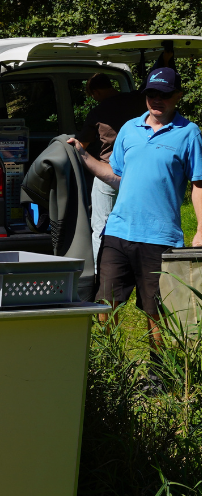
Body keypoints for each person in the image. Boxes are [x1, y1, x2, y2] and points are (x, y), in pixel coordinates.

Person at [69, 67, 202, 360]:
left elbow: (198, 185)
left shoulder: (189, 133)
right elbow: (117, 175)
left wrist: (201, 229)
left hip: (160, 236)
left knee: (157, 310)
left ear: (178, 96)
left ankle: (157, 371)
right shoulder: (129, 128)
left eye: (165, 94)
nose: (157, 99)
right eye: (152, 93)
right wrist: (83, 155)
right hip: (118, 231)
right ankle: (110, 363)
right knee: (106, 305)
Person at [78, 73, 148, 261]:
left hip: (108, 172)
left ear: (97, 92)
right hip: (139, 172)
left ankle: (98, 273)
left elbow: (82, 145)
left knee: (101, 225)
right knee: (137, 223)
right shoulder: (138, 99)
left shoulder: (98, 112)